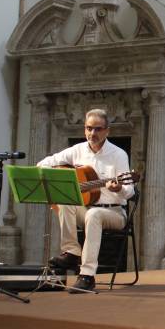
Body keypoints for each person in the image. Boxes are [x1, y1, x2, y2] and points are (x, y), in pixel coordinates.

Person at [38, 108, 134, 293]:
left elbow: (129, 192)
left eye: (98, 129)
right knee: (65, 198)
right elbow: (46, 162)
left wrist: (119, 188)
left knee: (94, 213)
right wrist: (46, 170)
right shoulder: (77, 150)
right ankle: (72, 252)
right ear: (84, 129)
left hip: (114, 213)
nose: (93, 133)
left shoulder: (118, 154)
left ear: (107, 131)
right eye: (89, 128)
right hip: (86, 210)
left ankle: (87, 275)